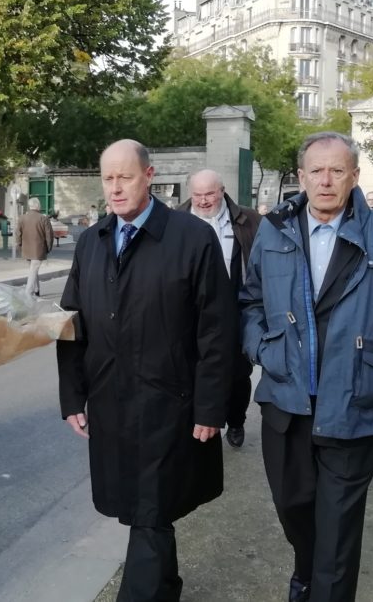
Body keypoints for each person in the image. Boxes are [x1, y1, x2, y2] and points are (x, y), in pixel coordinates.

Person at [240, 132, 373, 602]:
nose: (325, 181)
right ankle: (306, 571)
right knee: (295, 508)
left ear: (354, 177)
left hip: (353, 404)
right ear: (301, 177)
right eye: (316, 171)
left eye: (337, 170)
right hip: (286, 401)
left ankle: (322, 588)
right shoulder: (274, 229)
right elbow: (250, 300)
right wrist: (265, 351)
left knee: (339, 529)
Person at [58, 140, 237, 601]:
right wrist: (72, 395)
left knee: (152, 507)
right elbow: (71, 324)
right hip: (111, 400)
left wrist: (211, 406)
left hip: (170, 403)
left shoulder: (191, 238)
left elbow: (216, 331)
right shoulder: (92, 242)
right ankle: (167, 585)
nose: (115, 188)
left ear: (149, 175)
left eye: (125, 177)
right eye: (107, 178)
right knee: (143, 507)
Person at [177, 168, 262, 449]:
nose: (203, 201)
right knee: (192, 369)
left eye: (209, 194)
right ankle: (198, 420)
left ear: (222, 190)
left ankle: (235, 420)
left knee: (238, 373)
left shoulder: (249, 220)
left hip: (236, 309)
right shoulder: (175, 220)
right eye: (197, 195)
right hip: (190, 312)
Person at [16, 197, 54, 296]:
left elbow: (18, 234)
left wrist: (20, 246)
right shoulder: (43, 218)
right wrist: (48, 248)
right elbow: (49, 235)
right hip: (39, 249)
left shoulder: (22, 218)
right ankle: (28, 293)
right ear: (38, 206)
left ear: (30, 206)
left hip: (26, 248)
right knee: (33, 270)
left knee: (33, 270)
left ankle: (37, 290)